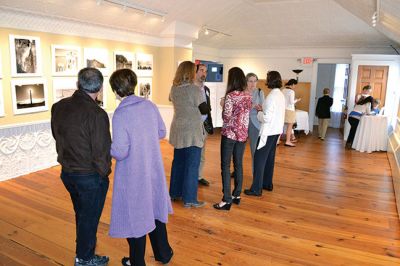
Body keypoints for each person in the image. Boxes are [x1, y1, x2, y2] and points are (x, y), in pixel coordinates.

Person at [108, 69, 173, 266]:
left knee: (135, 213)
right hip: (152, 167)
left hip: (132, 172)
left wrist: (107, 146)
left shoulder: (121, 113)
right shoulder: (150, 105)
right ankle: (164, 253)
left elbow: (120, 151)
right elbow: (161, 132)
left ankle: (136, 261)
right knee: (154, 209)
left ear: (116, 90)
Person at [51, 67, 111, 266]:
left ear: (78, 84)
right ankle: (84, 258)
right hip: (89, 177)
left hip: (68, 173)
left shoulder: (58, 106)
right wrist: (103, 175)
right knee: (89, 218)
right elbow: (102, 152)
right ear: (100, 88)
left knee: (83, 214)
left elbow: (56, 134)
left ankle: (84, 251)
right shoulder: (97, 114)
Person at [169, 61, 209, 208]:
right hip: (192, 131)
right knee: (192, 165)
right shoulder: (194, 90)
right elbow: (204, 110)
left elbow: (172, 100)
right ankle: (190, 198)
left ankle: (174, 193)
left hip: (178, 130)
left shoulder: (174, 88)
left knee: (178, 163)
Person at [214, 67, 252, 211]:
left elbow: (226, 117)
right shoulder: (248, 96)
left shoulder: (230, 96)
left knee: (225, 166)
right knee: (239, 165)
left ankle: (226, 199)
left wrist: (223, 106)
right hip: (242, 135)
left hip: (229, 135)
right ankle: (237, 195)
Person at [244, 71, 285, 196]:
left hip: (268, 131)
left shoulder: (272, 96)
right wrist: (262, 110)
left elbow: (266, 118)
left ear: (270, 80)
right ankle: (267, 184)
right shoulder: (280, 94)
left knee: (259, 158)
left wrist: (259, 113)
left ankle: (256, 189)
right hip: (276, 131)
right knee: (269, 159)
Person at [196, 63, 214, 187]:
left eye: (206, 71)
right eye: (201, 70)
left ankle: (199, 176)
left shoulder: (206, 89)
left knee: (202, 153)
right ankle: (191, 176)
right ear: (195, 72)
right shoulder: (191, 88)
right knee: (194, 153)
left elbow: (208, 108)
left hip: (204, 125)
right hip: (194, 125)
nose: (204, 73)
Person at [247, 73, 264, 173]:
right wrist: (251, 106)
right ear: (246, 82)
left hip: (255, 123)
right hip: (242, 123)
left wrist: (260, 108)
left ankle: (256, 174)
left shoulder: (260, 92)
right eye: (250, 81)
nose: (253, 84)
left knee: (255, 150)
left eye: (255, 81)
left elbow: (264, 107)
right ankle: (236, 171)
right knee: (238, 150)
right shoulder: (242, 92)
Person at [281, 79, 301, 147]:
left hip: (283, 110)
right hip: (290, 110)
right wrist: (297, 100)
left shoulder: (283, 90)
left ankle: (277, 141)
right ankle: (288, 141)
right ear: (292, 84)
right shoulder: (291, 91)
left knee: (281, 126)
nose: (295, 87)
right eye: (295, 85)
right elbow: (291, 102)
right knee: (290, 127)